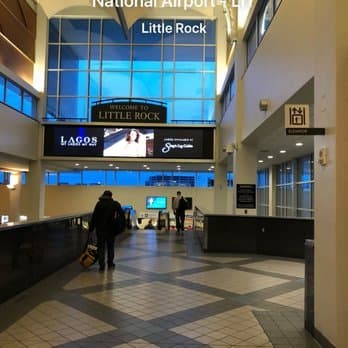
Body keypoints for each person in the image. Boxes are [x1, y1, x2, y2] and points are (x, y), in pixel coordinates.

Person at [89, 190, 123, 271]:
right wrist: (120, 227)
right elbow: (121, 215)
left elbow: (94, 217)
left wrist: (91, 229)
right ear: (111, 196)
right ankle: (110, 263)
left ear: (103, 195)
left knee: (101, 247)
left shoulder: (99, 204)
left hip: (100, 230)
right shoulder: (115, 204)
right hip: (111, 230)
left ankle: (101, 265)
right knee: (110, 247)